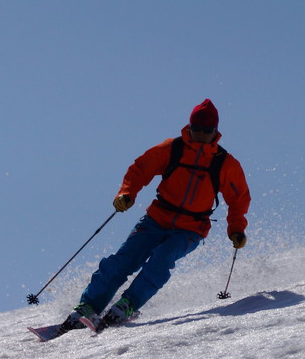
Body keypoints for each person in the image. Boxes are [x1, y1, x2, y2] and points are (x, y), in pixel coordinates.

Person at [61, 99, 251, 332]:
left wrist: (236, 229)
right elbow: (140, 169)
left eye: (207, 130)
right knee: (124, 260)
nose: (201, 135)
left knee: (162, 258)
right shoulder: (173, 148)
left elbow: (239, 199)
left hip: (191, 227)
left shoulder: (225, 163)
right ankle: (87, 307)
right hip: (157, 218)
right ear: (190, 127)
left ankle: (128, 305)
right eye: (197, 129)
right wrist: (126, 194)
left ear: (216, 131)